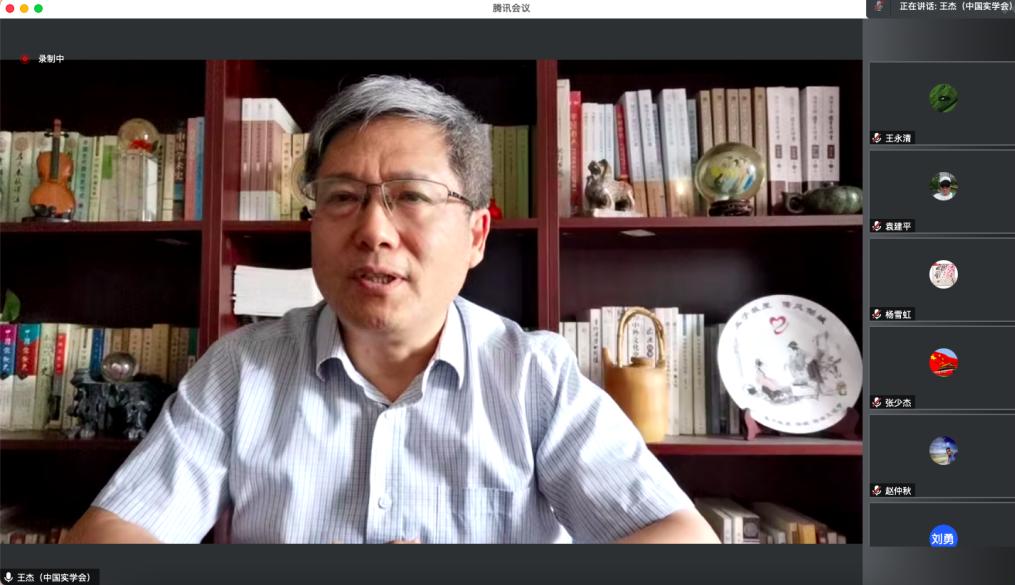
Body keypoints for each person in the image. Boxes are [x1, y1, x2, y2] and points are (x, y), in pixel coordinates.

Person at [64, 75, 719, 544]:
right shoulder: (240, 370)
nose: (374, 230)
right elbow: (115, 531)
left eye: (411, 196)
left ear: (476, 236)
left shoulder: (534, 376)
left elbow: (677, 536)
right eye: (342, 197)